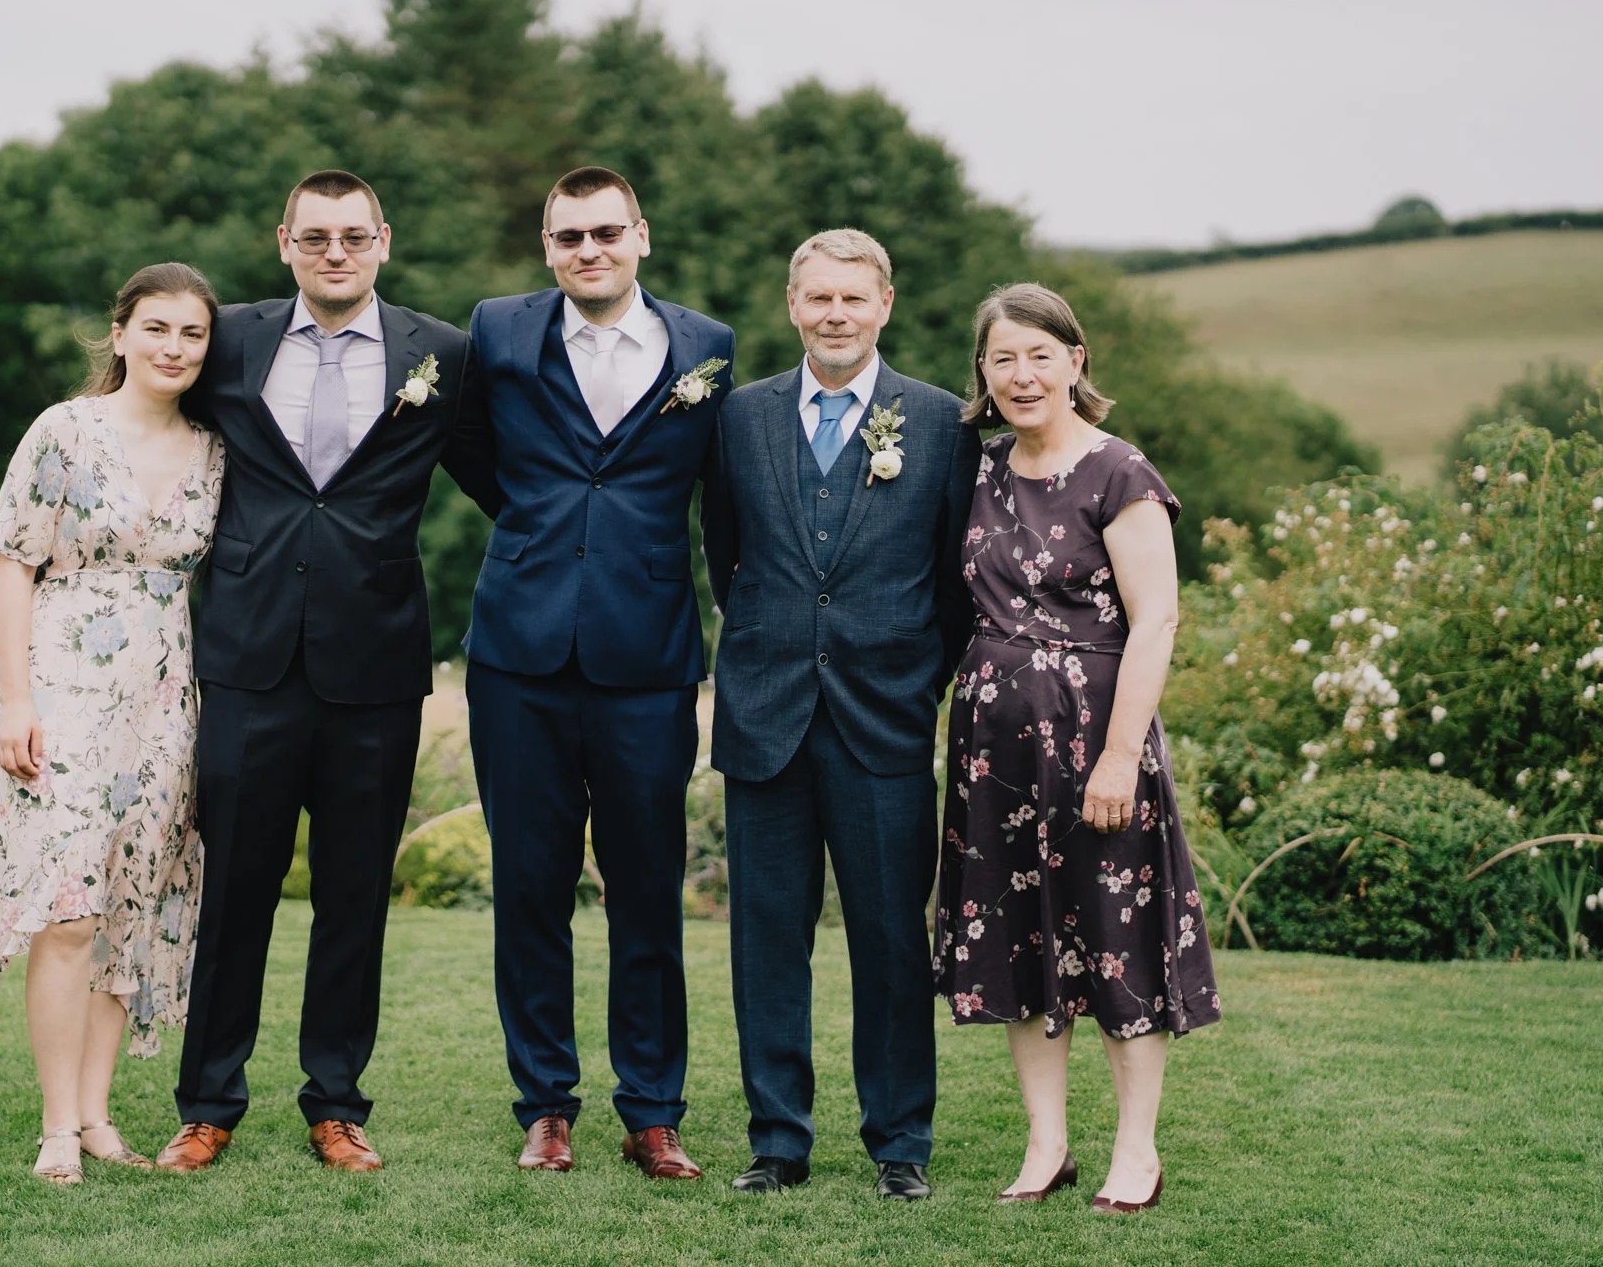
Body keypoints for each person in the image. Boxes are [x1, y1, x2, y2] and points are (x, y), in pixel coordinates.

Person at [159, 170, 500, 1175]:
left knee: (354, 899)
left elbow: (506, 484)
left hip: (377, 667)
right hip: (250, 659)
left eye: (354, 236)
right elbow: (149, 419)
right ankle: (208, 1103)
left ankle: (336, 1105)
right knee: (236, 896)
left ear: (383, 241)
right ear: (285, 244)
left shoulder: (441, 354)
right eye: (317, 237)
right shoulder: (230, 343)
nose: (336, 252)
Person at [0, 262, 226, 1186]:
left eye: (191, 333)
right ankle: (56, 1125)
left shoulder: (216, 449)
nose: (173, 347)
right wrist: (17, 698)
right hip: (61, 692)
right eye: (156, 329)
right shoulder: (64, 432)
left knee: (127, 908)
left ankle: (101, 1116)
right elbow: (13, 564)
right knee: (65, 911)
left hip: (162, 705)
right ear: (119, 335)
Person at [464, 166, 735, 1180]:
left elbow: (716, 493)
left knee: (647, 890)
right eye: (569, 235)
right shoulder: (497, 331)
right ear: (547, 246)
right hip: (518, 658)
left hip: (647, 656)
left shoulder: (707, 346)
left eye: (606, 232)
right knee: (529, 887)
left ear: (641, 237)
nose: (590, 249)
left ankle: (654, 1109)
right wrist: (541, 523)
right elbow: (468, 446)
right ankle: (545, 1104)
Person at [702, 229, 978, 1201]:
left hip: (885, 723)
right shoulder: (738, 418)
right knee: (767, 938)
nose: (835, 314)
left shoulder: (943, 424)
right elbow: (726, 556)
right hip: (767, 716)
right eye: (818, 297)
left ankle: (899, 1141)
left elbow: (956, 586)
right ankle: (778, 1139)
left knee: (892, 940)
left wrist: (914, 680)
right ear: (792, 304)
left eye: (853, 299)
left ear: (885, 305)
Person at [933, 282, 1221, 1213]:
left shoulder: (1119, 473)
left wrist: (1116, 756)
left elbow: (1157, 622)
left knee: (1116, 939)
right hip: (993, 749)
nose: (1021, 375)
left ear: (1075, 360)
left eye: (1038, 354)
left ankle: (1135, 1151)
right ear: (982, 371)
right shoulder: (973, 470)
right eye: (1002, 358)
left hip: (1098, 736)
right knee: (1018, 947)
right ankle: (1045, 1147)